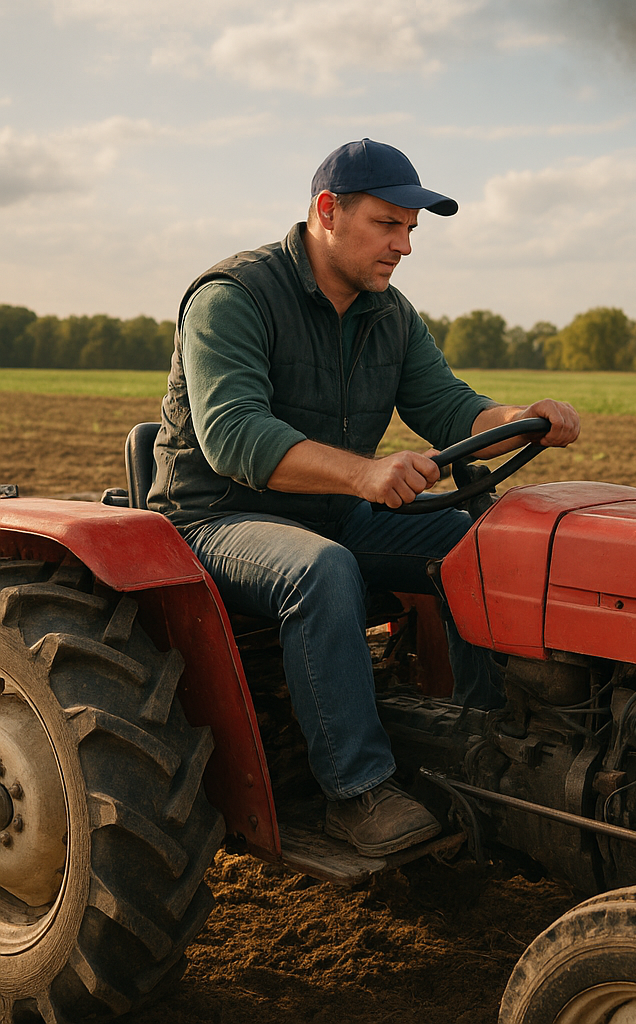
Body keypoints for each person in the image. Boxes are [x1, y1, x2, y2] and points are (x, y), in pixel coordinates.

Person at [149, 139, 579, 858]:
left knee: (477, 543)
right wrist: (362, 475)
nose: (405, 246)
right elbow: (234, 436)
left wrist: (518, 419)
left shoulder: (390, 315)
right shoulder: (234, 297)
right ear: (327, 211)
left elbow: (449, 407)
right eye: (389, 224)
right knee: (320, 569)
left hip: (330, 514)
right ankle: (356, 791)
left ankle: (488, 751)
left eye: (412, 229)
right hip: (213, 517)